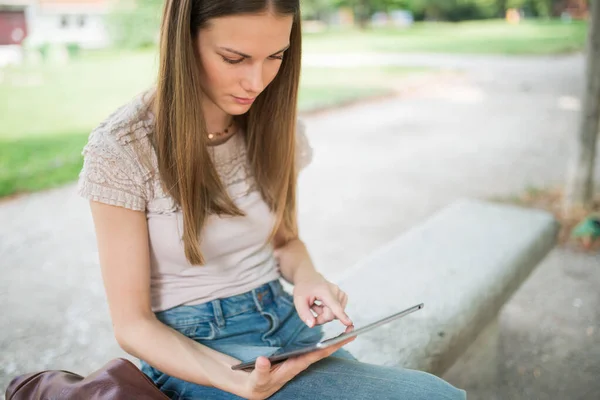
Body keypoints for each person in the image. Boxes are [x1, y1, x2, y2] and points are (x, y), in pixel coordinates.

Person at [77, 0, 467, 399]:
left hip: (285, 321)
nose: (257, 81)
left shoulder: (276, 126)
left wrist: (309, 278)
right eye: (234, 58)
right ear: (183, 41)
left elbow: (284, 242)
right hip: (193, 351)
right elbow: (132, 325)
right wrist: (229, 377)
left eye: (276, 56)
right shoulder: (123, 150)